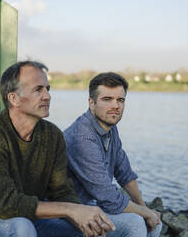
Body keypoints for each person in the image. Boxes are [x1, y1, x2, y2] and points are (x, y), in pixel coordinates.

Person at [0, 61, 115, 237]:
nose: (47, 96)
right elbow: (5, 204)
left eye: (47, 89)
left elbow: (62, 191)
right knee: (21, 228)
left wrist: (81, 218)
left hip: (29, 217)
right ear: (14, 98)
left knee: (104, 228)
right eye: (38, 90)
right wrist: (69, 209)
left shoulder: (53, 135)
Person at [64, 72, 162, 237]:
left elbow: (125, 173)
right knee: (135, 224)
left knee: (155, 224)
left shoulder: (109, 128)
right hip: (70, 214)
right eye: (107, 99)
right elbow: (108, 197)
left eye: (120, 100)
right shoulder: (83, 136)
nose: (115, 106)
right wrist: (145, 213)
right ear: (91, 103)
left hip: (93, 206)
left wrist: (145, 209)